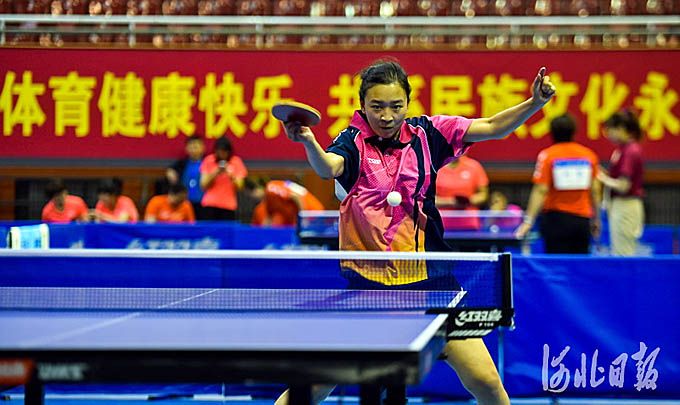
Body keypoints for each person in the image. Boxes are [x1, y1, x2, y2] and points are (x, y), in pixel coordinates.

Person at [279, 59, 556, 405]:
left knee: (485, 380)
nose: (386, 116)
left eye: (396, 106)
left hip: (431, 285)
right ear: (362, 105)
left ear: (408, 103)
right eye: (377, 107)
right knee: (315, 385)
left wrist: (534, 103)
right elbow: (328, 167)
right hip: (372, 288)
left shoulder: (428, 134)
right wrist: (309, 142)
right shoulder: (352, 142)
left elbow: (492, 126)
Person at [515, 114, 601, 254]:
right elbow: (595, 190)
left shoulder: (548, 156)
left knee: (556, 263)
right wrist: (597, 218)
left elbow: (541, 190)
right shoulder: (589, 155)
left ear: (552, 133)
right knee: (580, 264)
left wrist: (528, 221)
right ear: (574, 132)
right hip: (582, 220)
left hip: (556, 220)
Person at [596, 109, 645, 256]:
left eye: (610, 130)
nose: (608, 135)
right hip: (620, 205)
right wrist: (605, 174)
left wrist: (602, 178)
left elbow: (624, 186)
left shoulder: (630, 151)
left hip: (626, 206)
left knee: (623, 253)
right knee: (619, 250)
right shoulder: (623, 150)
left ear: (621, 128)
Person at [199, 136, 248, 220]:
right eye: (219, 151)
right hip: (210, 204)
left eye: (224, 151)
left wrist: (230, 174)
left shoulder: (236, 162)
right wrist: (216, 172)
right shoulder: (208, 160)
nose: (222, 154)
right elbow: (203, 185)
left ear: (229, 151)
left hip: (228, 206)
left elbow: (240, 186)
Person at [436, 155, 489, 230]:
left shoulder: (474, 166)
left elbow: (483, 195)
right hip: (441, 224)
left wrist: (467, 201)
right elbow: (428, 199)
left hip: (469, 223)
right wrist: (452, 202)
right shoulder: (435, 166)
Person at [244, 177, 325, 226]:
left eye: (250, 194)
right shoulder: (268, 201)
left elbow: (296, 197)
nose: (252, 198)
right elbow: (268, 220)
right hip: (304, 215)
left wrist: (303, 217)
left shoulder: (271, 187)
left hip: (312, 211)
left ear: (257, 188)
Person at [166, 135, 206, 219]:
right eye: (191, 147)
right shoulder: (182, 163)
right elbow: (171, 170)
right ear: (186, 149)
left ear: (202, 148)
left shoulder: (207, 162)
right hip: (184, 202)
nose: (193, 149)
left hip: (203, 203)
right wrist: (170, 172)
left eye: (196, 146)